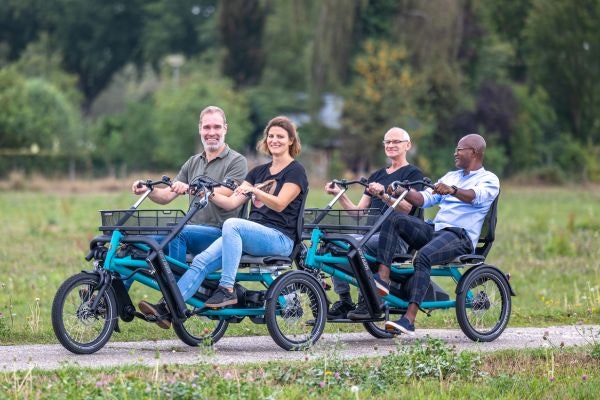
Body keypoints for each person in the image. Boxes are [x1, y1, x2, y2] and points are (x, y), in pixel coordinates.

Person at [139, 116, 308, 328]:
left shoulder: (295, 171)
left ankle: (226, 289)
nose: (275, 140)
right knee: (201, 261)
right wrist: (205, 192)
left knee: (233, 224)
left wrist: (254, 190)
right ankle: (168, 308)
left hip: (280, 238)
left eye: (281, 137)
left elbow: (281, 204)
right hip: (251, 236)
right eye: (271, 136)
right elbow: (230, 202)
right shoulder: (257, 172)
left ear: (291, 140)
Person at [377, 133, 499, 335]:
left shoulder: (489, 179)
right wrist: (403, 192)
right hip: (436, 230)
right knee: (394, 218)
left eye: (460, 149)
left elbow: (474, 197)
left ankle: (409, 319)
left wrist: (452, 190)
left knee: (423, 257)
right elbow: (424, 199)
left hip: (460, 237)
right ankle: (382, 278)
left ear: (474, 152)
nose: (455, 153)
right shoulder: (451, 175)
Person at [323, 127, 423, 320]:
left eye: (396, 142)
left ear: (407, 146)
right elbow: (358, 213)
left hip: (397, 238)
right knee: (333, 243)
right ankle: (344, 300)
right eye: (387, 142)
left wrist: (383, 195)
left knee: (355, 244)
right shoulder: (376, 175)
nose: (391, 145)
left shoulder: (412, 174)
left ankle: (368, 301)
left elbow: (407, 208)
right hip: (370, 234)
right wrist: (339, 194)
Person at [131, 106, 247, 264]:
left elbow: (226, 192)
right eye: (206, 127)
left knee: (178, 232)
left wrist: (191, 188)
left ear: (225, 129)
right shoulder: (193, 162)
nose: (211, 132)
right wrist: (149, 189)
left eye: (217, 127)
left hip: (220, 233)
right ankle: (114, 289)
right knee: (137, 242)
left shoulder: (237, 161)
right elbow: (166, 196)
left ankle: (177, 287)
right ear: (200, 129)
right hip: (190, 229)